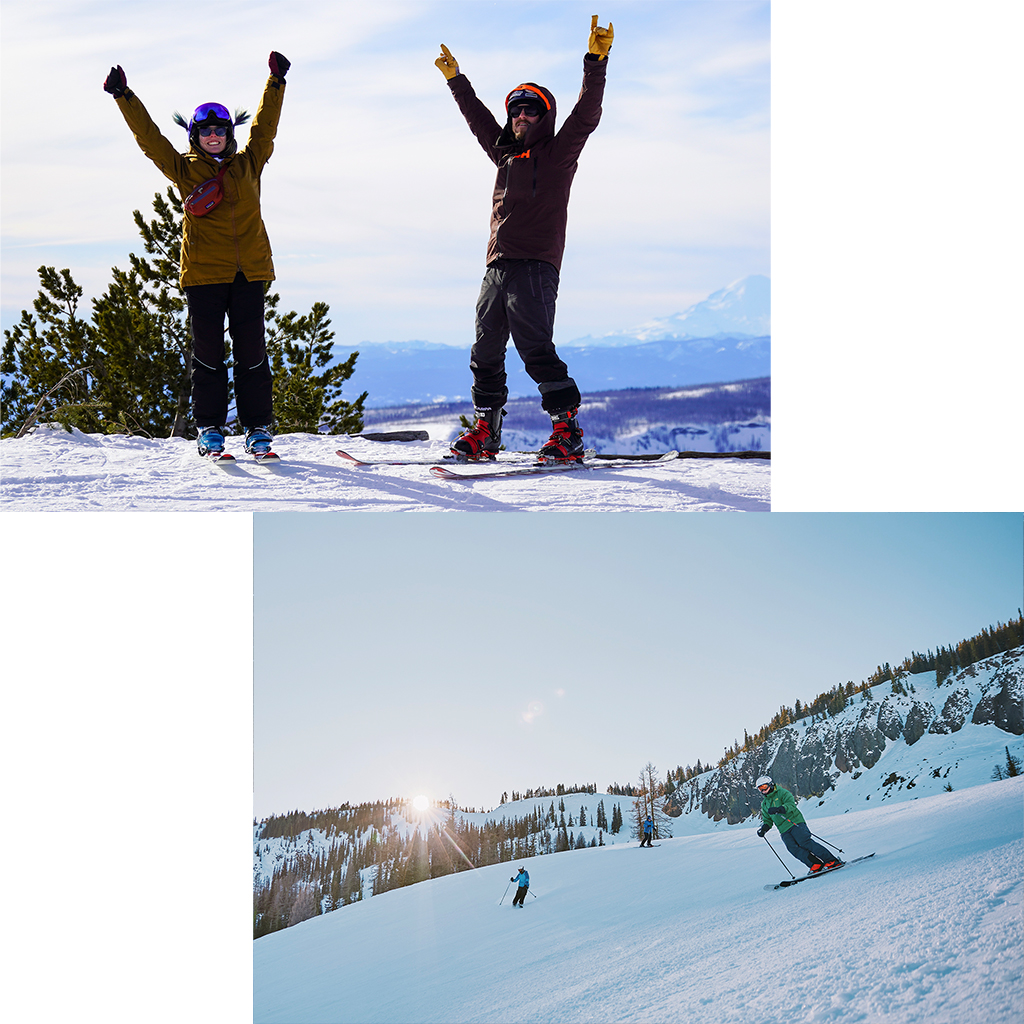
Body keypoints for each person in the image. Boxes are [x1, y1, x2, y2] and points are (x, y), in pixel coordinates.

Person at [435, 16, 613, 462]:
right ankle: (486, 432)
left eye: (529, 109)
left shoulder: (558, 154)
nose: (519, 116)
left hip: (536, 264)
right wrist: (457, 81)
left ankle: (567, 433)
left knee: (535, 349)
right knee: (485, 349)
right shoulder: (504, 154)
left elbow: (587, 114)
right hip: (497, 264)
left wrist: (596, 62)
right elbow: (479, 119)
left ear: (544, 116)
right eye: (515, 109)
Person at [103, 52, 290, 459]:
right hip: (204, 275)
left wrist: (275, 83)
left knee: (252, 355)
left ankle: (258, 430)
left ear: (228, 133)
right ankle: (210, 430)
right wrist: (124, 96)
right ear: (194, 135)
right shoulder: (183, 169)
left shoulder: (249, 164)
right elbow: (150, 139)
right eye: (205, 130)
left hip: (249, 272)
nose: (213, 136)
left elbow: (265, 129)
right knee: (208, 358)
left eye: (219, 129)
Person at [755, 776, 843, 873]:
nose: (763, 790)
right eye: (760, 788)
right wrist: (764, 829)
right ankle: (815, 864)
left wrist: (779, 809)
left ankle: (832, 860)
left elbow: (791, 805)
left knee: (805, 842)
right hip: (783, 829)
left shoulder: (782, 793)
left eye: (764, 786)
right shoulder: (765, 804)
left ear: (770, 784)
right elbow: (767, 820)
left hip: (794, 822)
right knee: (793, 848)